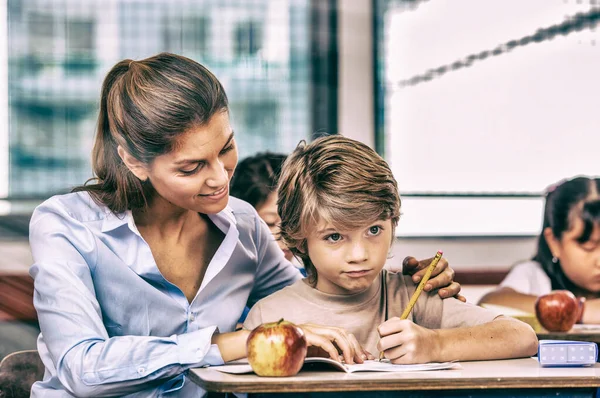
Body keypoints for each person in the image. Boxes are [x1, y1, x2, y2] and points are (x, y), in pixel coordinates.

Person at [28, 52, 462, 397]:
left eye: (227, 147)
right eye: (192, 167)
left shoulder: (243, 225)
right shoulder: (66, 225)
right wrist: (237, 342)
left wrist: (405, 282)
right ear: (132, 160)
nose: (220, 177)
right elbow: (81, 369)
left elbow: (310, 295)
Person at [243, 135, 539, 363]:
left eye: (374, 230)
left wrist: (434, 344)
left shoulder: (412, 296)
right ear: (298, 238)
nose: (359, 254)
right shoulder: (270, 316)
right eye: (334, 237)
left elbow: (522, 337)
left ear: (393, 223)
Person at [478, 176, 599, 324]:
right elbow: (490, 303)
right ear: (554, 242)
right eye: (588, 246)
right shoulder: (534, 276)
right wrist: (579, 311)